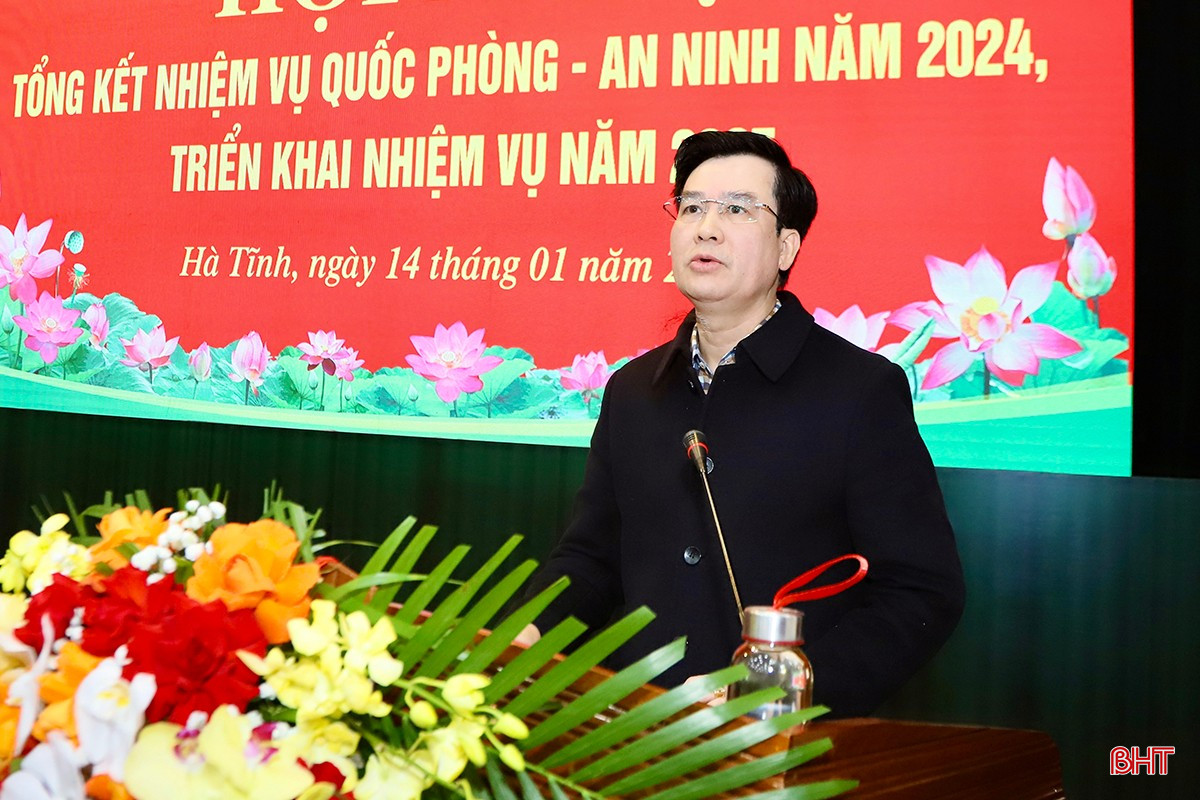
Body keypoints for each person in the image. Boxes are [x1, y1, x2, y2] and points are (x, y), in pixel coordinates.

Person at [518, 131, 964, 717]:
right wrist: (524, 637)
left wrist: (781, 690)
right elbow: (591, 559)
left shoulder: (859, 390)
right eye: (692, 208)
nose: (706, 228)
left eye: (736, 209)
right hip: (631, 733)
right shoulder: (632, 391)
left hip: (780, 739)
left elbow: (919, 593)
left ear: (786, 247)